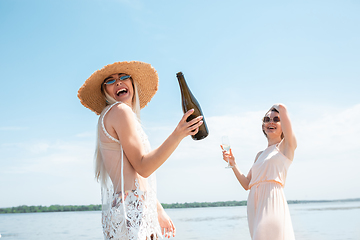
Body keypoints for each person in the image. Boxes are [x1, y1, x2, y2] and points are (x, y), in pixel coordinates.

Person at [78, 61, 203, 240]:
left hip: (127, 208)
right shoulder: (120, 111)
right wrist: (178, 134)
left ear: (132, 84)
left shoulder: (111, 115)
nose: (119, 82)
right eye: (110, 81)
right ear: (104, 91)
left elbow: (137, 177)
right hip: (133, 210)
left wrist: (158, 210)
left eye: (123, 77)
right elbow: (143, 167)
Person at [221, 104, 297, 240]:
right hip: (254, 207)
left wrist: (274, 107)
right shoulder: (259, 155)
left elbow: (283, 108)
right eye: (267, 120)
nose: (271, 122)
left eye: (276, 119)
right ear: (263, 127)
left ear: (283, 125)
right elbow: (246, 184)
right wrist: (233, 164)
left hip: (271, 202)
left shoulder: (286, 147)